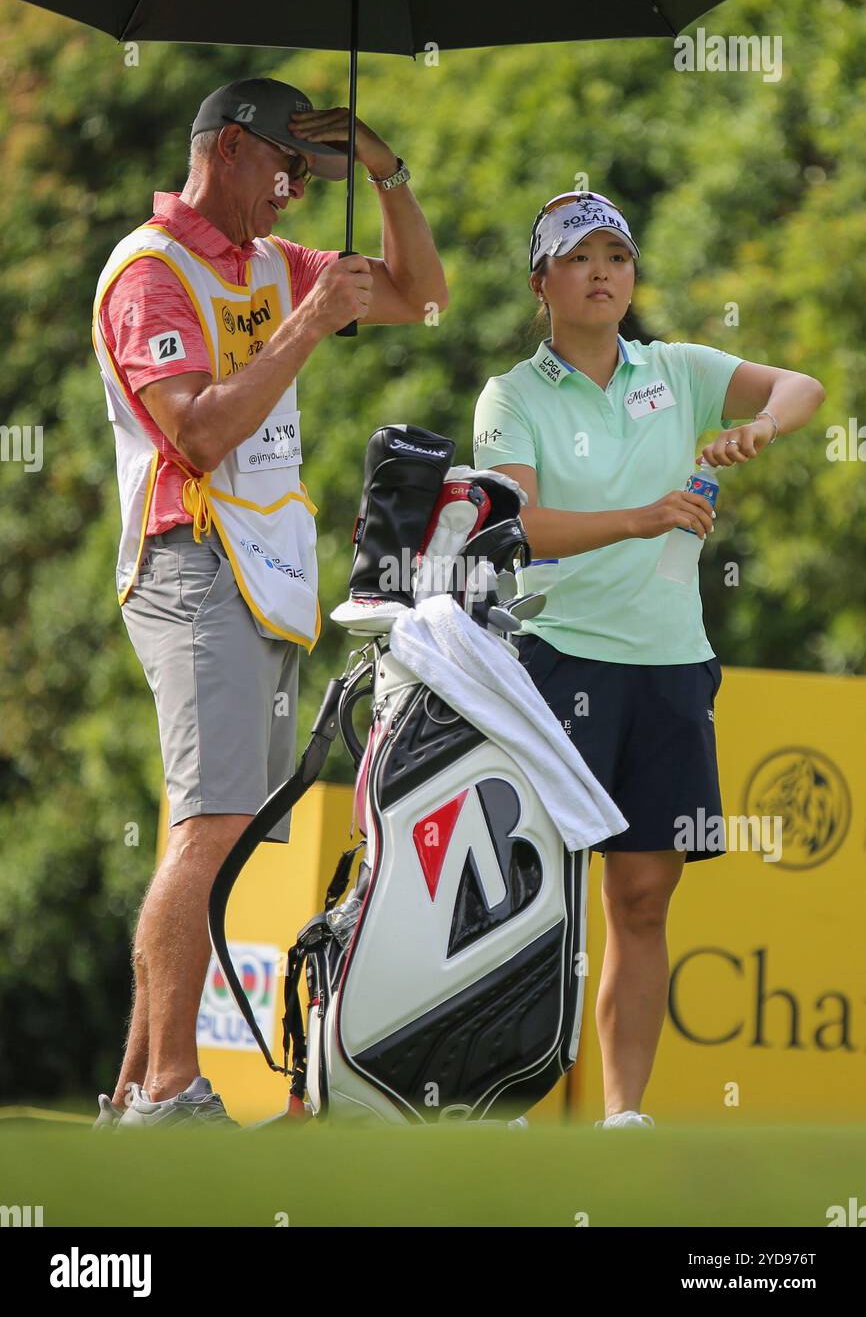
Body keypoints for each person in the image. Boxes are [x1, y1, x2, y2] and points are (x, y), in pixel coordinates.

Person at [91, 76, 448, 1128]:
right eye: (288, 169)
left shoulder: (264, 261)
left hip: (261, 575)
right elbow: (195, 432)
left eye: (311, 176)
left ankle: (136, 1090)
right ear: (233, 149)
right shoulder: (148, 273)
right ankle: (165, 1089)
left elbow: (424, 298)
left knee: (213, 827)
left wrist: (387, 173)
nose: (295, 193)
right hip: (188, 560)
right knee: (211, 826)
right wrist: (307, 320)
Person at [472, 190, 824, 1128]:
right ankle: (500, 1103)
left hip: (671, 669)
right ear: (542, 281)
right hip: (554, 664)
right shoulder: (513, 395)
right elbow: (520, 530)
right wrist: (643, 517)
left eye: (617, 258)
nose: (602, 273)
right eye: (579, 258)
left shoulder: (677, 368)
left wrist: (760, 428)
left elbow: (803, 387)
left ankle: (622, 1118)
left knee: (639, 901)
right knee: (533, 905)